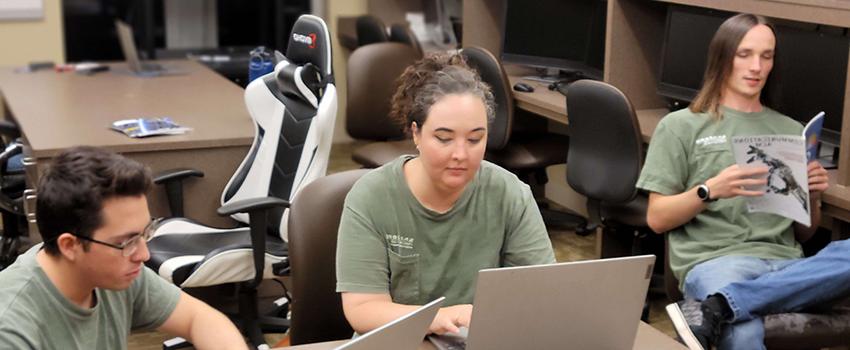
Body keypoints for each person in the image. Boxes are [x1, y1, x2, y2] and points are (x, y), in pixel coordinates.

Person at [637, 13, 850, 350]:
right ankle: (728, 301)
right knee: (744, 333)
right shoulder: (680, 126)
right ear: (723, 58)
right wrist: (709, 191)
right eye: (745, 54)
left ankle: (720, 305)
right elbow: (657, 218)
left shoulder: (791, 130)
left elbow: (804, 233)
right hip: (717, 262)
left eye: (766, 56)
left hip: (785, 264)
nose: (757, 67)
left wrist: (809, 196)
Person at [335, 53, 556, 335]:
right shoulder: (370, 197)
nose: (461, 154)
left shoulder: (509, 193)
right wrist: (440, 318)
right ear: (416, 133)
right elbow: (363, 309)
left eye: (475, 139)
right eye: (444, 138)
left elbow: (541, 289)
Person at [0, 146, 247, 349]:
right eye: (127, 241)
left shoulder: (114, 272)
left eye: (144, 234)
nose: (143, 254)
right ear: (69, 245)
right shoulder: (12, 328)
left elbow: (199, 319)